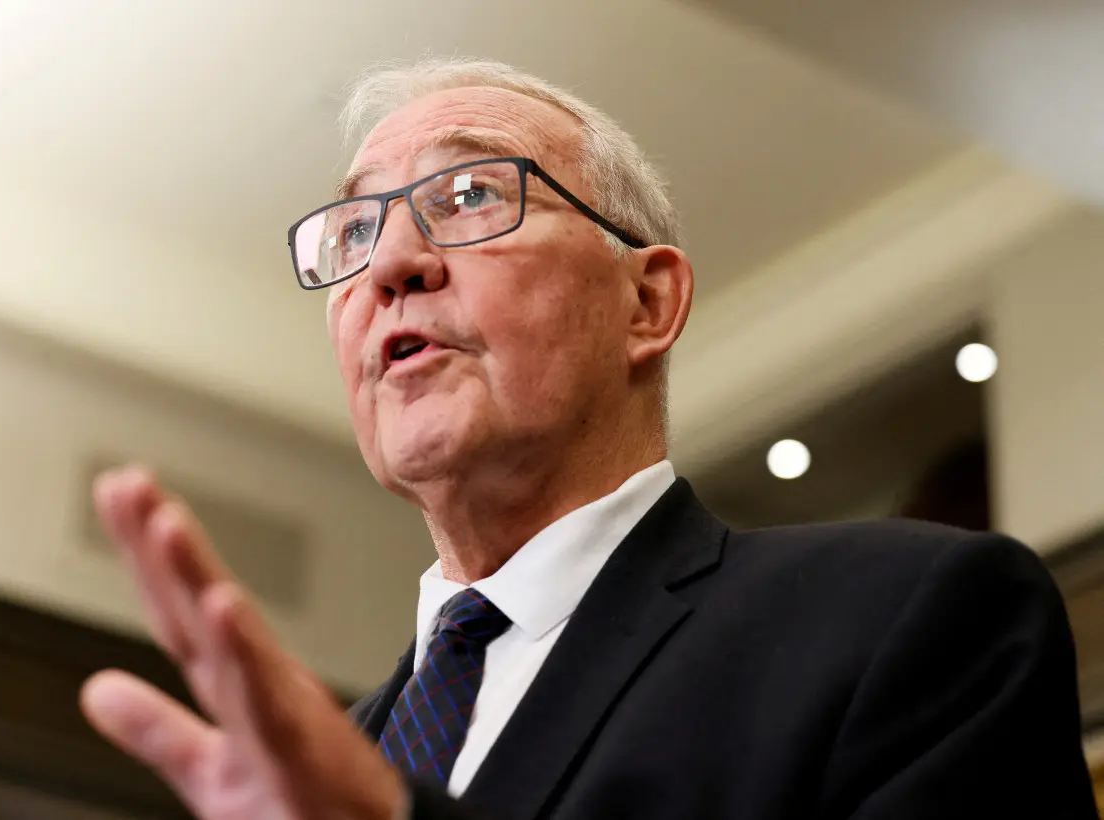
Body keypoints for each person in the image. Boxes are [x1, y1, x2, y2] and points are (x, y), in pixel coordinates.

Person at [80, 59, 1097, 819]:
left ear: (647, 302)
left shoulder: (907, 620)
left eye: (470, 195)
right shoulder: (305, 773)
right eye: (354, 231)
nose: (390, 262)